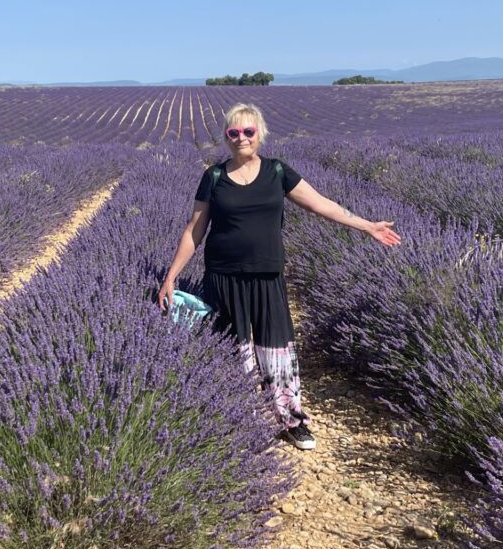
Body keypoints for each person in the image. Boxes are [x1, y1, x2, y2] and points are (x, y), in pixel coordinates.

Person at [157, 104, 402, 450]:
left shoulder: (277, 172)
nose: (241, 138)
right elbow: (194, 230)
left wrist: (367, 225)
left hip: (268, 274)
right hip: (223, 276)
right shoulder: (213, 177)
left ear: (260, 134)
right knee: (230, 349)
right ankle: (237, 421)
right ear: (226, 137)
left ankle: (291, 419)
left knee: (276, 349)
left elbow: (321, 204)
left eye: (248, 132)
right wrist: (171, 277)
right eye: (233, 133)